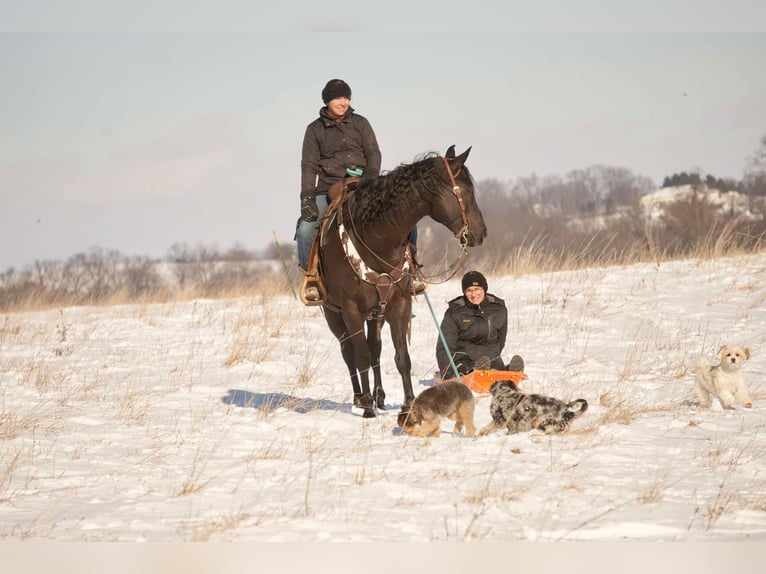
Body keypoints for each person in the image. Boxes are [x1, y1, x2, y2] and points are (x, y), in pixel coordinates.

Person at [296, 79, 420, 303]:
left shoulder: (361, 123)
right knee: (305, 229)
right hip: (328, 187)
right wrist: (307, 198)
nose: (343, 102)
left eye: (346, 97)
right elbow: (309, 166)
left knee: (407, 219)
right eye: (338, 98)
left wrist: (370, 179)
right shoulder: (314, 130)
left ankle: (412, 270)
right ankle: (312, 277)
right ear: (327, 101)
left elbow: (374, 153)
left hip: (365, 184)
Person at [435, 270, 524, 378]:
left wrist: (494, 354)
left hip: (491, 359)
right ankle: (476, 372)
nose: (473, 294)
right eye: (469, 290)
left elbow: (501, 340)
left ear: (484, 289)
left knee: (493, 366)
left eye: (477, 289)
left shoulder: (498, 309)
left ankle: (510, 371)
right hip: (463, 361)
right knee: (468, 369)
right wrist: (446, 369)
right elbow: (444, 345)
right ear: (464, 292)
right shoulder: (455, 312)